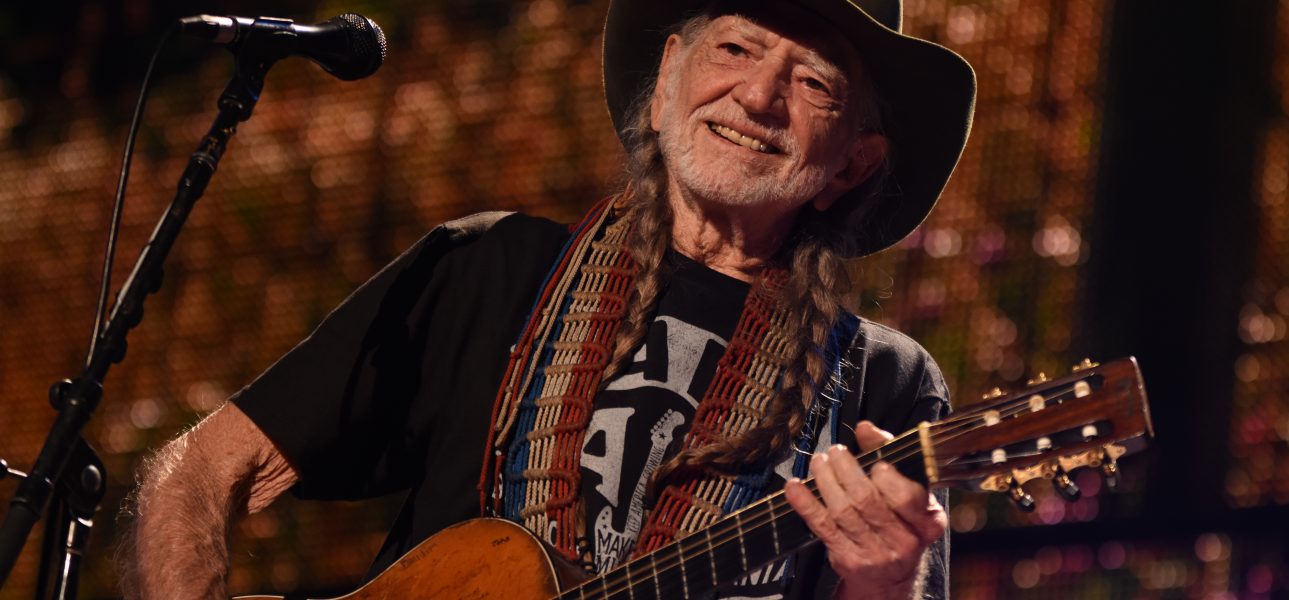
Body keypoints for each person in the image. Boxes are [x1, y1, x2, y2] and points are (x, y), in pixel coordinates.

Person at [121, 0, 975, 598]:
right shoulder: (491, 265)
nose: (757, 97)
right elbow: (193, 472)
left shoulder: (884, 385)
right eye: (736, 49)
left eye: (813, 83)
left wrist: (886, 579)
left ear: (854, 164)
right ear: (672, 71)